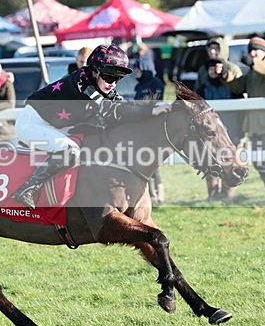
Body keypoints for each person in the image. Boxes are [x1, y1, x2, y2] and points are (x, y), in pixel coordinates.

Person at [12, 43, 171, 209]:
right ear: (95, 71)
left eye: (117, 79)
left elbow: (123, 107)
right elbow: (110, 111)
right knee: (70, 150)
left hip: (54, 124)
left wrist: (152, 113)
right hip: (32, 123)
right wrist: (149, 111)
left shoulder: (101, 84)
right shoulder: (82, 82)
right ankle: (27, 189)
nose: (113, 83)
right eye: (109, 77)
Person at [222, 36, 265, 201]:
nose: (253, 54)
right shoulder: (253, 69)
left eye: (256, 50)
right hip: (255, 125)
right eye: (251, 51)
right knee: (258, 162)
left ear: (264, 52)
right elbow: (240, 86)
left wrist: (253, 63)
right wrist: (226, 76)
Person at [197, 57, 240, 203]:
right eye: (210, 68)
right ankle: (212, 194)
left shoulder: (230, 87)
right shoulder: (203, 88)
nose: (213, 71)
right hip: (211, 133)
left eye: (216, 68)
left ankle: (227, 195)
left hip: (230, 129)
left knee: (231, 161)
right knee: (210, 162)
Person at [133, 65, 166, 204]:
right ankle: (152, 195)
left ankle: (160, 194)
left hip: (153, 127)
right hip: (141, 128)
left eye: (138, 69)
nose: (136, 72)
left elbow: (155, 102)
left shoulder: (156, 83)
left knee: (154, 166)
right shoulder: (138, 86)